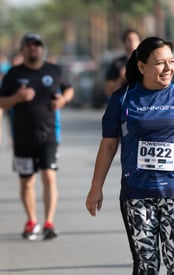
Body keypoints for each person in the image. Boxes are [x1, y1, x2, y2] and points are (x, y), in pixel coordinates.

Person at [86, 37, 174, 274]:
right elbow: (108, 145)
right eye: (160, 63)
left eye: (171, 62)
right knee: (146, 266)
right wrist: (96, 187)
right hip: (138, 194)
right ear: (142, 66)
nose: (168, 69)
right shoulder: (123, 98)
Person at [0, 32, 74, 241]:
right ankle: (32, 220)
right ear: (22, 49)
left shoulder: (55, 70)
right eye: (29, 45)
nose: (33, 49)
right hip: (22, 136)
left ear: (43, 48)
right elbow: (0, 102)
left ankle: (49, 222)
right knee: (27, 182)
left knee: (49, 176)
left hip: (48, 134)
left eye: (37, 45)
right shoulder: (13, 74)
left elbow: (69, 90)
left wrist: (63, 101)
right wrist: (17, 97)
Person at [104, 29, 141, 98]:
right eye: (129, 40)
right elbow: (108, 91)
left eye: (135, 40)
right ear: (124, 43)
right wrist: (120, 79)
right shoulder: (117, 63)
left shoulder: (145, 62)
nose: (132, 42)